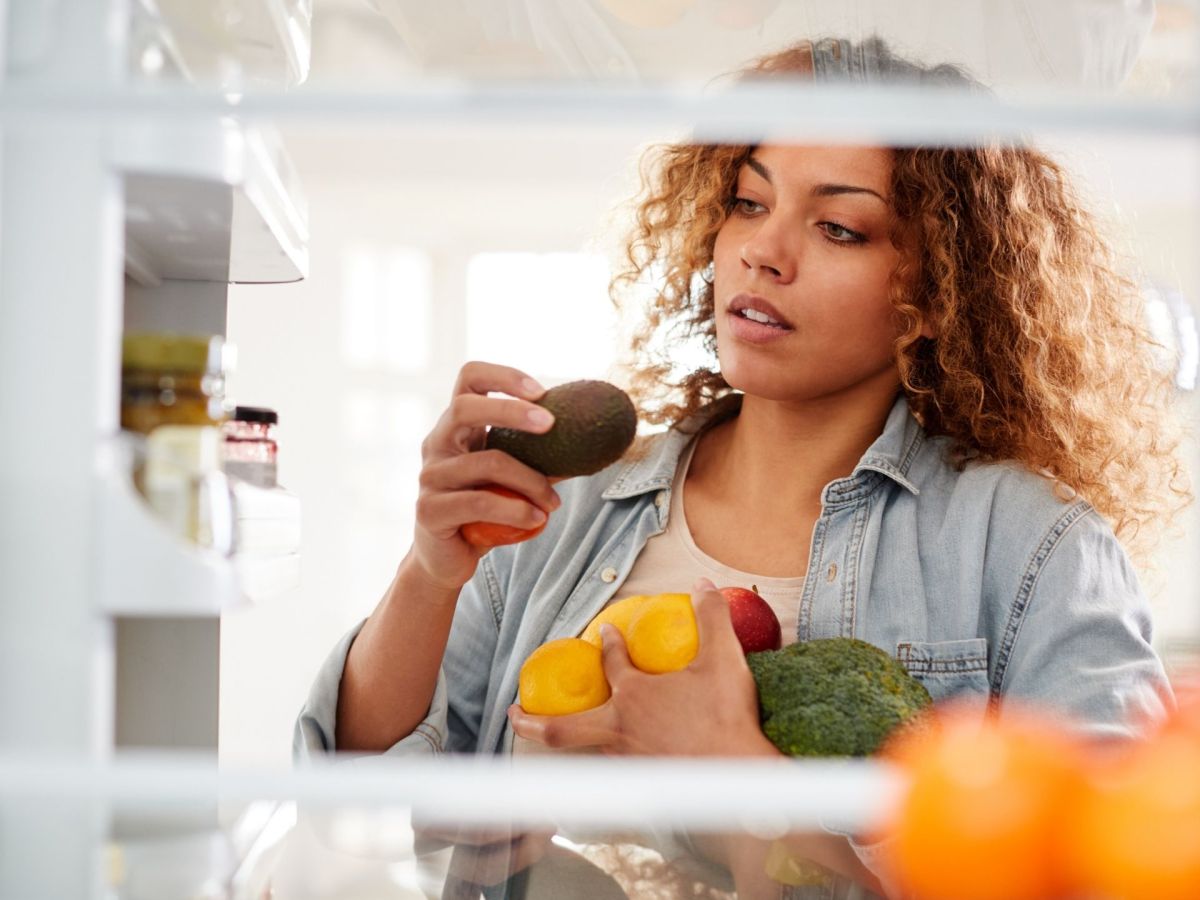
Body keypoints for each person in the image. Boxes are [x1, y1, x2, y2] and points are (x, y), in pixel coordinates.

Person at [296, 37, 1188, 899]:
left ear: (930, 296)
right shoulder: (566, 508)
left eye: (838, 227)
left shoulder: (1030, 546)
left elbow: (1109, 870)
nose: (764, 251)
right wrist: (430, 571)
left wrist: (738, 770)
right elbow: (351, 815)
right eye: (748, 203)